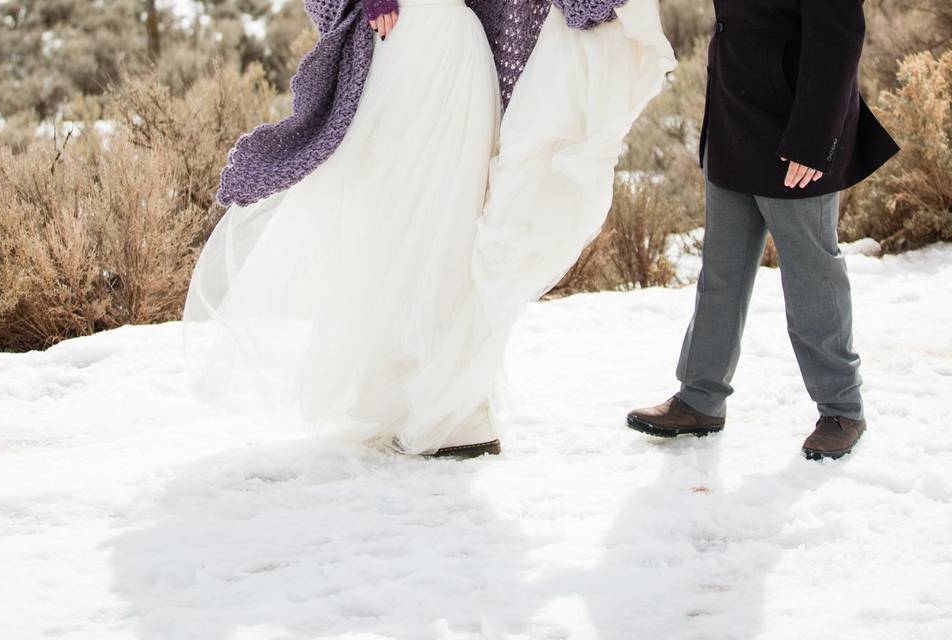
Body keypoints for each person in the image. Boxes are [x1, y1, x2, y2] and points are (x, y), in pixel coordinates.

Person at [183, 0, 676, 457]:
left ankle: (452, 410)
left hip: (453, 54)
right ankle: (417, 402)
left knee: (447, 226)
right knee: (400, 225)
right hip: (406, 48)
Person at [627, 0, 899, 460]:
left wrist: (814, 142)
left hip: (795, 138)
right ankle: (699, 399)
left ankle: (842, 409)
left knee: (812, 276)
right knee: (721, 273)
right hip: (733, 123)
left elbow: (839, 36)